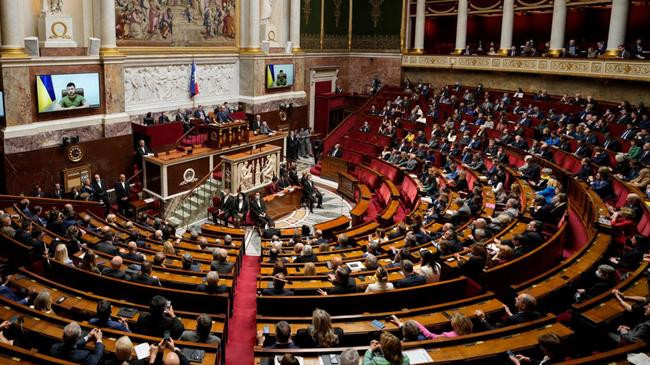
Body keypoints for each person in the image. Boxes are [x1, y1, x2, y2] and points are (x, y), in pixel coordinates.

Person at [475, 293, 541, 330]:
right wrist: (509, 313)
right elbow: (519, 319)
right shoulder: (537, 314)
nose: (515, 298)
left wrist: (482, 319)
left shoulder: (511, 319)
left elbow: (494, 331)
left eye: (518, 299)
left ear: (523, 306)